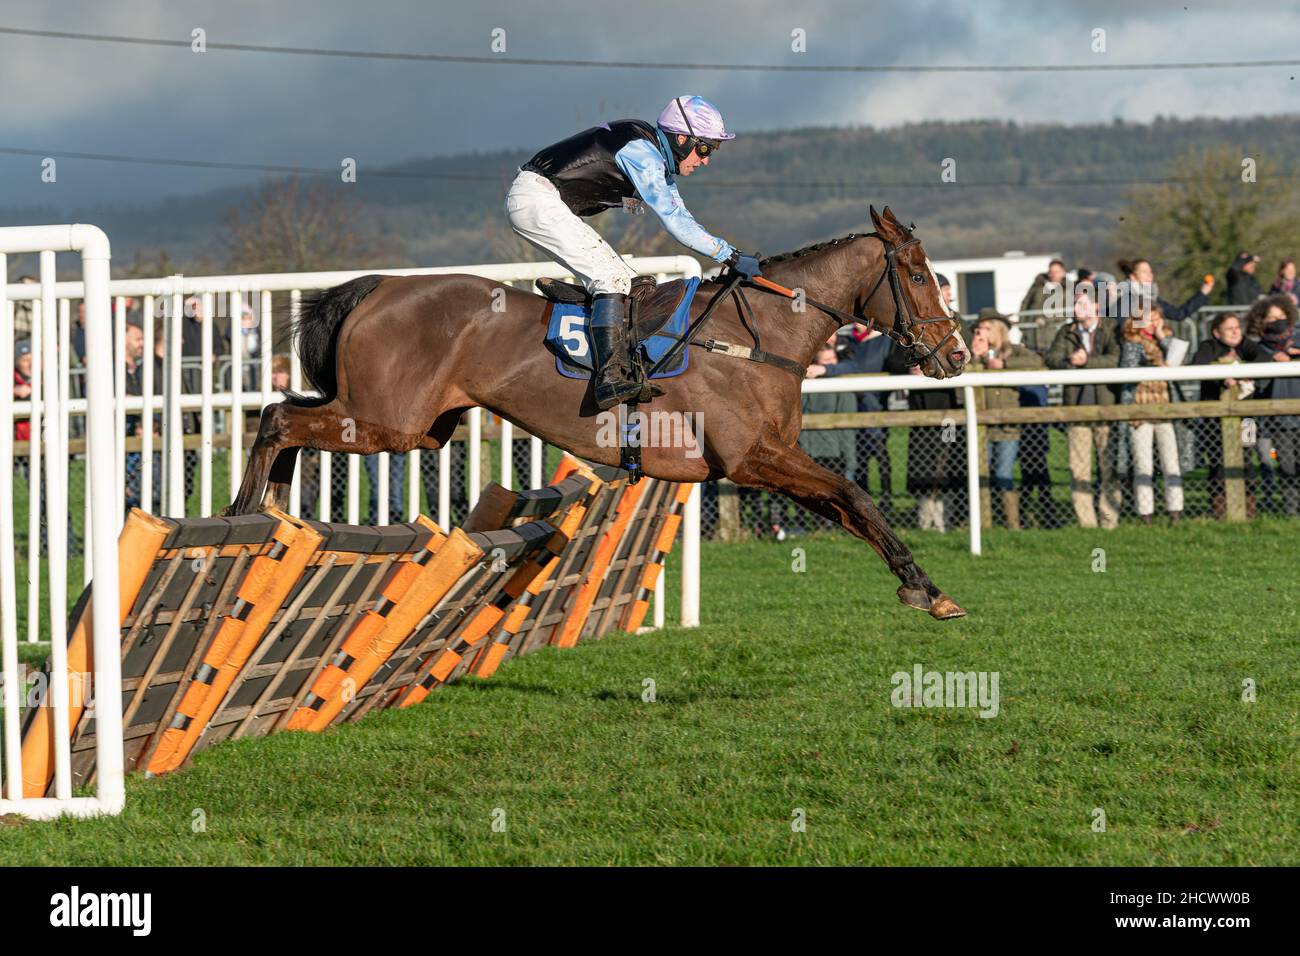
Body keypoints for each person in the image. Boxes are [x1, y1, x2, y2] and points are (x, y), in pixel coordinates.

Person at [506, 95, 760, 410]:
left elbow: (682, 215)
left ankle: (581, 308)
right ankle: (609, 378)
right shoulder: (643, 152)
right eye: (705, 148)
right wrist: (730, 256)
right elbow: (676, 223)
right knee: (611, 278)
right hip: (536, 199)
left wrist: (728, 253)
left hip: (547, 201)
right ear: (682, 139)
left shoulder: (655, 156)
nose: (706, 159)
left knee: (634, 284)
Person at [1192, 312, 1284, 518]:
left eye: (1237, 327)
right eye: (1229, 328)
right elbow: (1198, 364)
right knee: (1218, 462)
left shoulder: (1245, 344)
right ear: (1217, 332)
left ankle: (1248, 508)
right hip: (1215, 418)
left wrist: (1244, 371)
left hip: (1246, 417)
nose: (1235, 332)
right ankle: (1220, 510)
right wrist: (1222, 376)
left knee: (1247, 458)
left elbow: (1264, 357)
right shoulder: (1209, 347)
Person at [1046, 282, 1121, 529]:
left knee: (1108, 467)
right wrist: (1071, 362)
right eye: (1075, 302)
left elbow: (1116, 359)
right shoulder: (1066, 332)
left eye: (1082, 302)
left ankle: (1109, 520)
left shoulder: (1110, 329)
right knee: (1079, 469)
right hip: (1077, 409)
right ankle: (1086, 523)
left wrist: (1087, 361)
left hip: (1105, 408)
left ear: (1096, 306)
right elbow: (1052, 359)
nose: (1076, 307)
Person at [967, 309, 1044, 529]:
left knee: (1003, 472)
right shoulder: (975, 355)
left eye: (985, 329)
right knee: (982, 471)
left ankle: (1012, 522)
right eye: (978, 331)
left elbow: (1036, 362)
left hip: (1009, 425)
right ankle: (985, 523)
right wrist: (975, 358)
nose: (981, 334)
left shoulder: (1014, 352)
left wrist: (1005, 365)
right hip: (981, 425)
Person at [814, 322, 894, 517]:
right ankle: (860, 505)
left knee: (882, 457)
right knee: (858, 461)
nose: (858, 323)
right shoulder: (845, 342)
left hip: (873, 408)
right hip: (848, 410)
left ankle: (886, 501)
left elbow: (852, 366)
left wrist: (826, 370)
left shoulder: (883, 342)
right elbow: (841, 364)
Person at [1118, 307, 1183, 523]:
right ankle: (1146, 513)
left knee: (1171, 462)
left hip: (1165, 409)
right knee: (1143, 464)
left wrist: (1162, 338)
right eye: (1148, 320)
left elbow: (1180, 359)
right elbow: (1129, 367)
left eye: (1157, 319)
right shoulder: (1131, 342)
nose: (1153, 324)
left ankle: (1175, 510)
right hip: (1141, 409)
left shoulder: (1167, 341)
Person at [796, 338, 857, 535]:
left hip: (834, 454)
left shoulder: (842, 389)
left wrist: (850, 460)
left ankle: (833, 527)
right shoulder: (805, 387)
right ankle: (811, 528)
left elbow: (847, 430)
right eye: (825, 361)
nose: (829, 364)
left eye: (832, 360)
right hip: (809, 452)